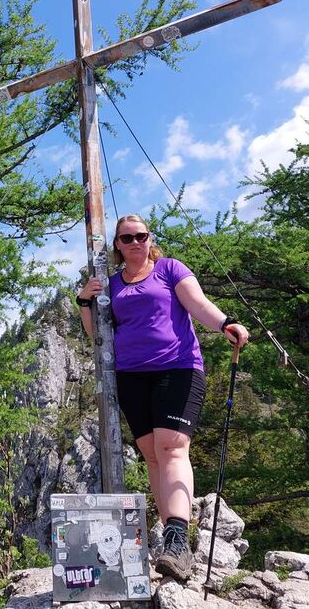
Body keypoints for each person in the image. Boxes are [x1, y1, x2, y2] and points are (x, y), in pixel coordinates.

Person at [76, 214, 249, 581]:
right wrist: (83, 301)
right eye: (127, 238)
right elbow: (98, 337)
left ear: (149, 238)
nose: (135, 242)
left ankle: (177, 540)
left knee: (171, 448)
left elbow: (198, 304)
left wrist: (224, 324)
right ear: (117, 245)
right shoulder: (111, 285)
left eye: (140, 235)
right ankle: (171, 544)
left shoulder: (169, 269)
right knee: (153, 456)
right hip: (130, 377)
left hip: (177, 367)